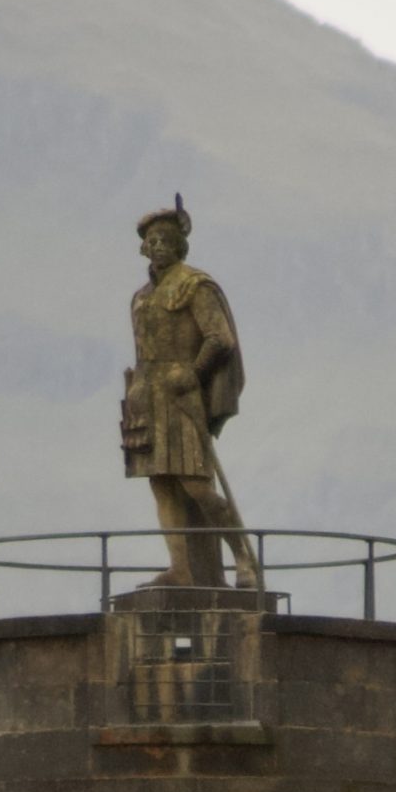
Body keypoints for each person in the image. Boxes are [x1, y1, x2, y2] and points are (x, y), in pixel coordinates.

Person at [121, 197, 258, 587]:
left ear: (178, 244)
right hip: (146, 395)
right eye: (152, 240)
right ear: (144, 247)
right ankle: (179, 567)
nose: (158, 246)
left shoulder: (195, 286)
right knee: (160, 483)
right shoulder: (142, 296)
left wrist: (194, 374)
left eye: (165, 238)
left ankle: (243, 557)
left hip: (181, 392)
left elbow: (220, 338)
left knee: (196, 484)